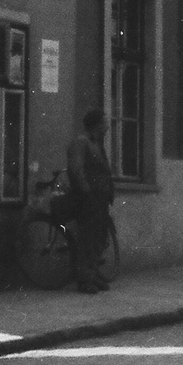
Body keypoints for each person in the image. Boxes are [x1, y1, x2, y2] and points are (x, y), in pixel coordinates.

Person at [66, 109, 115, 294]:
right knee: (88, 239)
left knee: (99, 239)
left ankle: (92, 274)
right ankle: (85, 280)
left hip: (100, 198)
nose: (107, 126)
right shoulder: (81, 142)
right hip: (89, 198)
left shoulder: (96, 143)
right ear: (97, 124)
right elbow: (76, 169)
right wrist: (86, 192)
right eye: (105, 122)